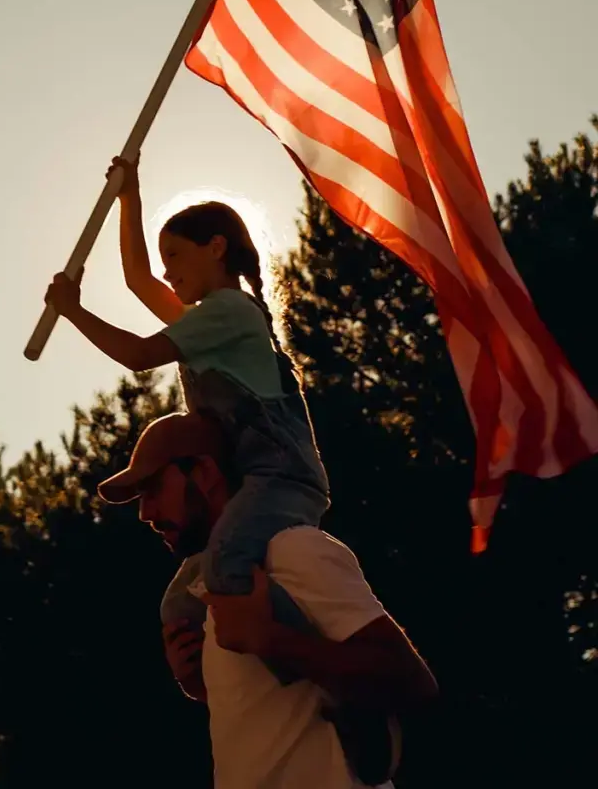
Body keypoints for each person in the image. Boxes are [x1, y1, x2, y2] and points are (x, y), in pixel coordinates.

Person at [44, 155, 330, 651]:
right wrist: (128, 194)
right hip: (251, 484)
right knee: (181, 599)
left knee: (224, 565)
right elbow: (137, 279)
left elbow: (138, 355)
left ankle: (316, 655)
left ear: (215, 248)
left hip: (282, 479)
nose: (165, 270)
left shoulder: (228, 312)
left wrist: (74, 311)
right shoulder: (210, 321)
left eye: (174, 255)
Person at [99, 412, 438, 788]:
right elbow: (283, 716)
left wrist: (271, 638)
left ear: (205, 473)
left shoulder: (294, 548)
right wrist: (200, 685)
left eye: (154, 489)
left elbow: (412, 682)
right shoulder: (215, 588)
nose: (146, 513)